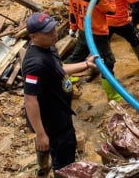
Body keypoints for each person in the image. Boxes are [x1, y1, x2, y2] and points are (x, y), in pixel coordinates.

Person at [22, 11, 97, 176]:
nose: (54, 34)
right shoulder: (35, 64)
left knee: (57, 150)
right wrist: (41, 134)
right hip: (53, 122)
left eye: (53, 29)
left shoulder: (48, 46)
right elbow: (30, 99)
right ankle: (52, 168)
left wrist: (85, 64)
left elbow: (59, 69)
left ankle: (43, 167)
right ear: (34, 37)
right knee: (64, 161)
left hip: (60, 112)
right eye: (48, 32)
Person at [66, 0, 117, 95]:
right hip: (98, 34)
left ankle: (67, 80)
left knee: (75, 58)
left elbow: (72, 13)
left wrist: (73, 27)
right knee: (108, 61)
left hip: (83, 32)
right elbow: (112, 10)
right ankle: (113, 94)